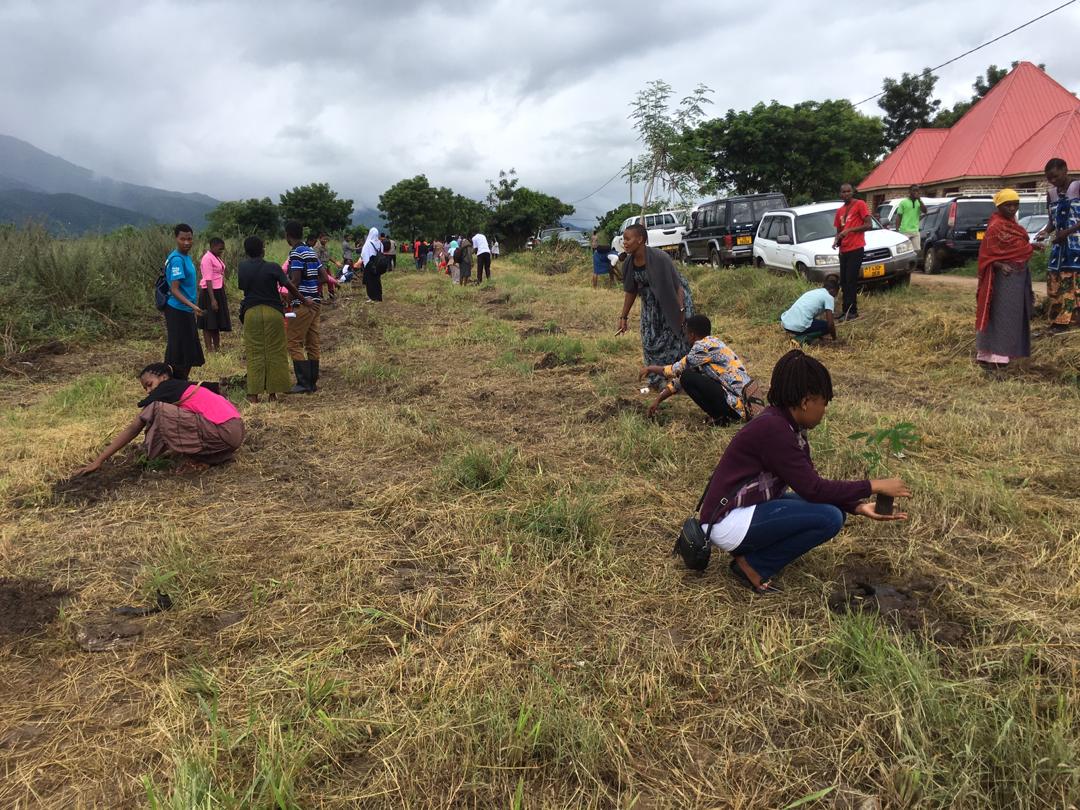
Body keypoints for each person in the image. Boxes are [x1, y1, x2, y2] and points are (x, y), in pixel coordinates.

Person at [698, 350, 911, 594]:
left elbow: (811, 484)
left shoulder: (786, 424)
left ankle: (753, 555)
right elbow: (813, 489)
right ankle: (753, 565)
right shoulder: (774, 429)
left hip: (743, 510)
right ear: (806, 401)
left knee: (836, 512)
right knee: (828, 517)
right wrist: (873, 485)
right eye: (824, 403)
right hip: (726, 520)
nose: (824, 410)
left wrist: (857, 506)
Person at [73, 362, 245, 476]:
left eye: (149, 384)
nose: (148, 391)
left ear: (163, 378)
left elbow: (134, 427)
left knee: (156, 409)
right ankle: (208, 458)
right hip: (235, 432)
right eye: (145, 388)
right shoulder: (185, 386)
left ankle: (151, 455)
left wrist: (99, 460)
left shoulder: (167, 387)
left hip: (224, 431)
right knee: (168, 413)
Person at [615, 223, 695, 390]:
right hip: (651, 308)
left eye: (628, 239)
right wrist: (623, 317)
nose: (625, 243)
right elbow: (631, 291)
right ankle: (656, 380)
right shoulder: (629, 263)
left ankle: (677, 381)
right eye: (624, 239)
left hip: (672, 303)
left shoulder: (660, 258)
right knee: (650, 340)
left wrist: (680, 312)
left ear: (640, 239)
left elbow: (677, 287)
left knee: (673, 341)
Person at [641, 314, 760, 425]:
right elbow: (678, 381)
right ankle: (722, 416)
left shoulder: (701, 347)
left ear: (692, 334)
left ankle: (721, 417)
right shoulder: (714, 343)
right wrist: (658, 400)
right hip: (743, 403)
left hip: (739, 407)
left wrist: (650, 368)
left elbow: (674, 371)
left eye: (686, 333)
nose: (686, 336)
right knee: (687, 376)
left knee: (688, 377)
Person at [237, 235, 312, 402]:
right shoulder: (273, 267)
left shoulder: (242, 267)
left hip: (251, 313)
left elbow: (243, 287)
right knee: (275, 351)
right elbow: (290, 286)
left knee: (255, 351)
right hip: (273, 313)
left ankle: (253, 395)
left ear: (247, 251)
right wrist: (303, 300)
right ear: (262, 249)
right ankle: (273, 394)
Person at [975, 190, 1037, 371]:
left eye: (1015, 204)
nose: (1012, 208)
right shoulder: (995, 227)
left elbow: (1017, 247)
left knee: (1011, 315)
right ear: (999, 206)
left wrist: (1031, 247)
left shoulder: (1012, 225)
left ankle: (991, 353)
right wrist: (1000, 265)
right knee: (1002, 315)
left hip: (1018, 277)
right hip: (1004, 279)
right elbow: (986, 255)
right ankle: (996, 356)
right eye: (1008, 205)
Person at [284, 220, 328, 393]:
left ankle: (303, 383)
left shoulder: (295, 253)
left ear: (288, 235)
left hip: (303, 304)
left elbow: (294, 280)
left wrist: (289, 297)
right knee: (312, 343)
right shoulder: (310, 251)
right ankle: (312, 383)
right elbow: (324, 277)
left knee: (293, 342)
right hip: (316, 303)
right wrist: (310, 284)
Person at [1040, 158, 1080, 333]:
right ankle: (1057, 320)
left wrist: (1068, 231)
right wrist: (1045, 232)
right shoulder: (1052, 194)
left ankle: (1069, 322)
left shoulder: (1077, 187)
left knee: (1072, 283)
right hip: (1059, 248)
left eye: (1055, 177)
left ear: (1065, 170)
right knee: (1055, 281)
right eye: (1050, 179)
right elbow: (1052, 222)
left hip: (1076, 246)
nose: (1053, 181)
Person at [163, 223, 205, 381]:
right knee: (179, 349)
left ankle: (180, 382)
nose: (186, 242)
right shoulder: (177, 260)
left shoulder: (185, 257)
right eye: (182, 239)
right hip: (178, 310)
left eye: (189, 239)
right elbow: (174, 289)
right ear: (176, 239)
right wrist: (193, 306)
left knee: (186, 348)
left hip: (186, 310)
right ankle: (173, 383)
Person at [833, 184, 872, 321]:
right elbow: (838, 231)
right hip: (844, 250)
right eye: (843, 192)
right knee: (843, 281)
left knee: (851, 280)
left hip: (856, 248)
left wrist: (850, 230)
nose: (846, 194)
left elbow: (869, 225)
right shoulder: (839, 211)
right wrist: (836, 241)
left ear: (853, 192)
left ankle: (853, 311)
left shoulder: (860, 204)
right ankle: (845, 310)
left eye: (849, 191)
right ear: (840, 194)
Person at [196, 237, 231, 353]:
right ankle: (209, 350)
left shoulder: (216, 257)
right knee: (208, 322)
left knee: (216, 321)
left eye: (223, 249)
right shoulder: (207, 258)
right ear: (213, 246)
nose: (221, 251)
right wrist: (213, 300)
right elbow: (208, 279)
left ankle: (217, 348)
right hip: (209, 293)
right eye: (220, 249)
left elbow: (219, 273)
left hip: (218, 290)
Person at [781, 277, 839, 343]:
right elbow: (830, 324)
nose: (835, 296)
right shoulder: (829, 297)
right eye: (836, 293)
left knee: (818, 322)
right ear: (832, 290)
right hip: (798, 326)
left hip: (786, 324)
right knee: (827, 326)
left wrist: (819, 336)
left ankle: (805, 335)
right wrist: (834, 339)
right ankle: (800, 339)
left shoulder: (814, 292)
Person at [891, 184, 927, 252]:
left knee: (917, 251)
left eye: (917, 191)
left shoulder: (919, 202)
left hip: (915, 231)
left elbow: (925, 211)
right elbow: (899, 216)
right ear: (909, 191)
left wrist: (919, 200)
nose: (916, 192)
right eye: (914, 191)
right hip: (904, 231)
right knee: (904, 251)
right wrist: (897, 229)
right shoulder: (903, 202)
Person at [355, 227, 385, 302]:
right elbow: (381, 253)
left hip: (370, 264)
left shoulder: (368, 243)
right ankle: (378, 296)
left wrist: (363, 263)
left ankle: (372, 297)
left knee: (370, 281)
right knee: (377, 280)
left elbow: (364, 255)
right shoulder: (380, 243)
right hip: (378, 264)